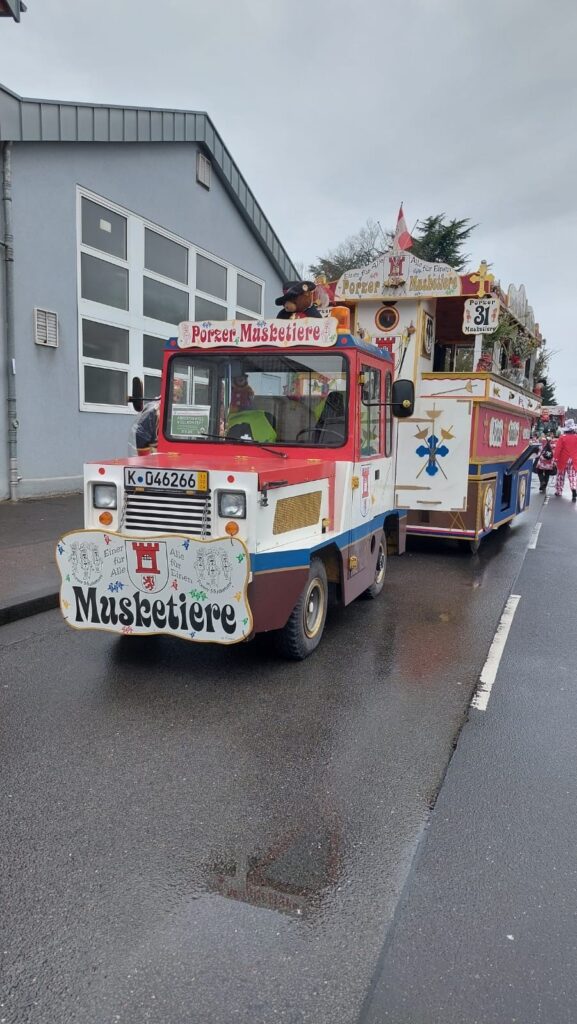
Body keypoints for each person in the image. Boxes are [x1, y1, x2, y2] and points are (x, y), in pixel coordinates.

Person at [554, 419, 577, 500]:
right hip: (573, 459)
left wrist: (555, 458)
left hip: (563, 459)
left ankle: (559, 491)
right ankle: (573, 488)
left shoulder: (562, 437)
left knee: (560, 475)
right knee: (572, 475)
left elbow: (558, 449)